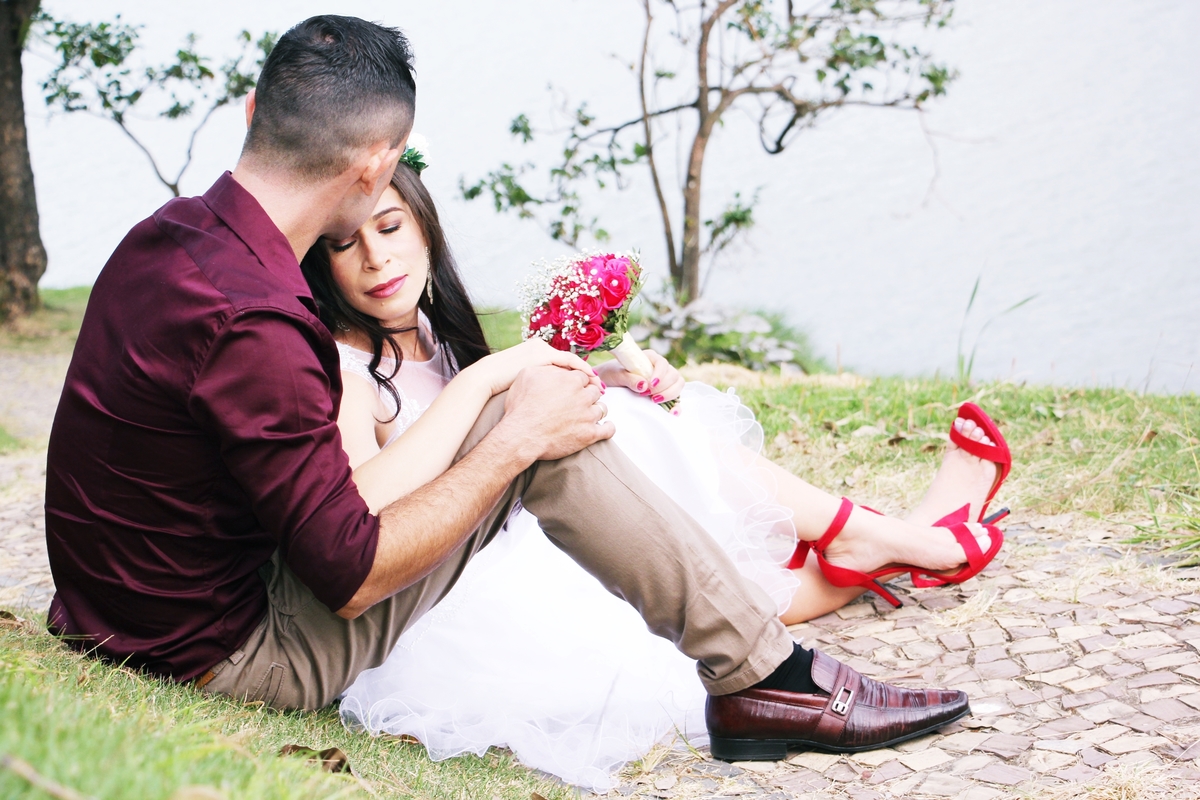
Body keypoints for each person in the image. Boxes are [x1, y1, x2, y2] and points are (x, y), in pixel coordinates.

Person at [43, 14, 993, 775]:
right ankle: (767, 677)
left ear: (254, 111)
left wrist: (504, 395)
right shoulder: (262, 322)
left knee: (528, 406)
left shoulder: (166, 237)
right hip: (229, 658)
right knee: (535, 430)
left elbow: (313, 500)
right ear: (376, 167)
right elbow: (352, 571)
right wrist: (511, 442)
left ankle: (774, 649)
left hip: (125, 613)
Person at [300, 145, 1011, 788]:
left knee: (624, 412)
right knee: (670, 522)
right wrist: (495, 380)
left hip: (527, 528)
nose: (376, 258)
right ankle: (891, 540)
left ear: (425, 229)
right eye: (345, 243)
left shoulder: (433, 334)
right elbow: (366, 514)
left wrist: (609, 373)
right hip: (457, 590)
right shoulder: (348, 373)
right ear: (322, 264)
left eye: (389, 228)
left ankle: (881, 539)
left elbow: (500, 427)